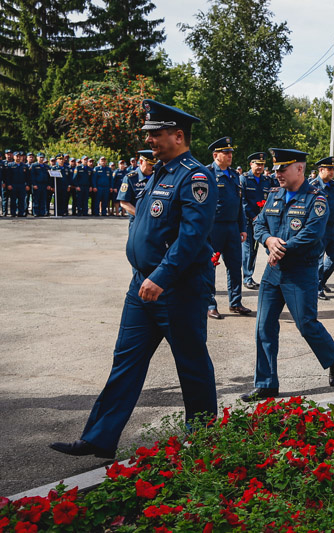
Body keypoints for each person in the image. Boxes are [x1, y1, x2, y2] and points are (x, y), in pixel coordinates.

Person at [49, 99, 219, 458]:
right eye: (149, 134)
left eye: (156, 134)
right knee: (125, 361)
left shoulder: (196, 176)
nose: (150, 140)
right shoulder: (158, 171)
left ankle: (203, 438)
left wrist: (162, 275)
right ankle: (98, 438)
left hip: (177, 288)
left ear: (178, 135)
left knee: (191, 363)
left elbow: (192, 236)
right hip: (141, 285)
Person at [240, 148, 334, 402]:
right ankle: (266, 383)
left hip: (300, 272)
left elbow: (312, 234)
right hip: (273, 273)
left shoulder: (316, 199)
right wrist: (268, 241)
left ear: (299, 169)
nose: (277, 174)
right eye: (275, 169)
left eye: (282, 169)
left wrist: (281, 248)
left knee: (306, 324)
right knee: (264, 326)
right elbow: (258, 224)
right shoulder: (274, 194)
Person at [207, 137, 250, 319]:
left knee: (234, 266)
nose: (230, 155)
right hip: (213, 228)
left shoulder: (234, 175)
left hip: (232, 227)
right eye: (226, 152)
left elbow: (239, 203)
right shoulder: (206, 173)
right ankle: (210, 304)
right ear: (216, 155)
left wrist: (242, 227)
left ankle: (235, 303)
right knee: (209, 266)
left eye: (231, 152)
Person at [310, 156, 334, 300]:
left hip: (333, 227)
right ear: (321, 170)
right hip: (319, 227)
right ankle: (316, 288)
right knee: (318, 258)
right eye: (329, 169)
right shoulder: (313, 185)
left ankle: (321, 281)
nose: (332, 172)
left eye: (333, 169)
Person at [241, 152, 274, 290]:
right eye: (257, 164)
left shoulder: (267, 181)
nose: (260, 167)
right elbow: (242, 201)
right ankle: (247, 277)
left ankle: (271, 276)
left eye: (262, 164)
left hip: (263, 221)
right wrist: (253, 216)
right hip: (249, 220)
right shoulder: (244, 179)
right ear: (251, 164)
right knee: (249, 250)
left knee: (267, 248)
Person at [118, 150, 155, 220]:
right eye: (149, 164)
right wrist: (140, 215)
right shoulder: (131, 178)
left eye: (154, 164)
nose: (152, 167)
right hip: (137, 220)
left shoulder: (157, 177)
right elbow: (124, 202)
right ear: (141, 162)